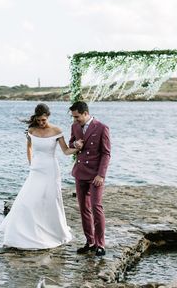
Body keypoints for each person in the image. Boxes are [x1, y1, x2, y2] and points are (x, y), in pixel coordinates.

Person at [0, 103, 80, 249]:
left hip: (51, 169)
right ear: (35, 118)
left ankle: (52, 232)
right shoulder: (32, 130)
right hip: (36, 169)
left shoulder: (57, 130)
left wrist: (78, 148)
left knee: (50, 200)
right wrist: (31, 164)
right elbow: (29, 148)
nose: (41, 123)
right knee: (26, 200)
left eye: (44, 120)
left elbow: (66, 151)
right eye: (39, 120)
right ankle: (23, 233)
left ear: (48, 117)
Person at [68, 101, 111, 257]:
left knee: (96, 206)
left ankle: (100, 244)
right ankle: (90, 242)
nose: (75, 120)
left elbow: (106, 153)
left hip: (95, 175)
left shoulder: (101, 127)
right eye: (73, 117)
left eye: (77, 117)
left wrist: (101, 175)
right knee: (83, 208)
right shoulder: (74, 127)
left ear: (85, 113)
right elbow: (70, 143)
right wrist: (75, 144)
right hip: (80, 173)